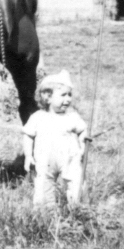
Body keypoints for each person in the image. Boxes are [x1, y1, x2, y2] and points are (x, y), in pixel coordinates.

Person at [23, 70, 88, 219]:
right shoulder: (38, 117)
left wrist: (83, 144)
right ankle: (45, 215)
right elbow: (28, 135)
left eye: (69, 95)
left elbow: (83, 131)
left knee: (76, 183)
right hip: (45, 160)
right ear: (47, 98)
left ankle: (77, 212)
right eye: (63, 95)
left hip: (70, 158)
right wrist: (28, 155)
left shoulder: (72, 117)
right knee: (43, 185)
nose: (68, 99)